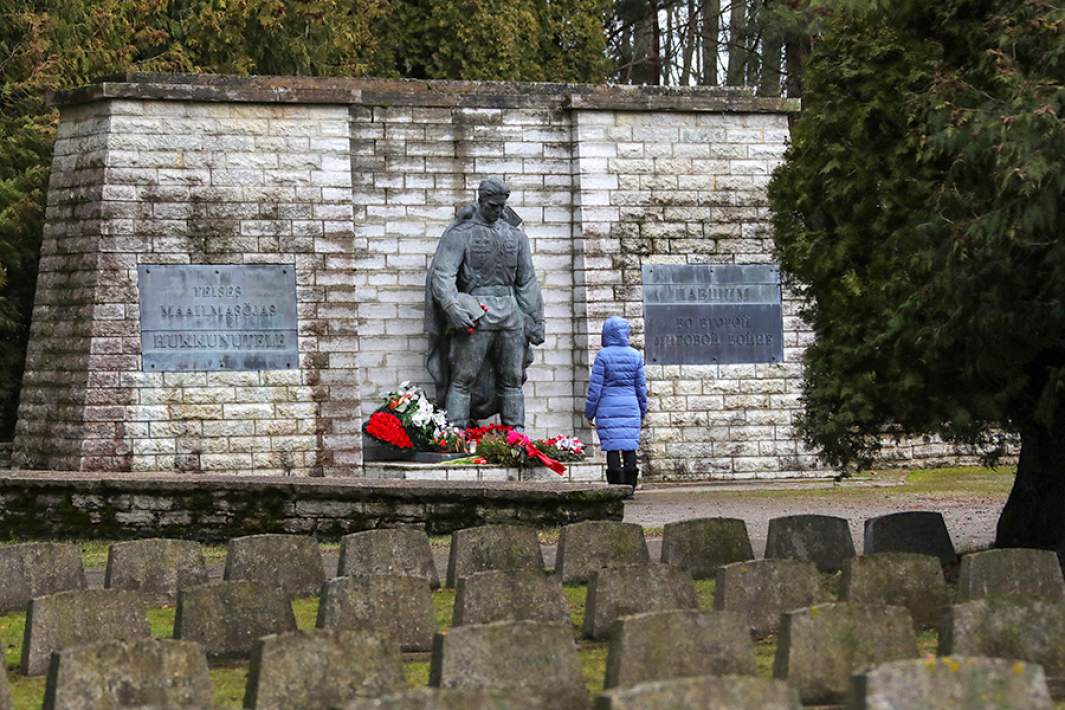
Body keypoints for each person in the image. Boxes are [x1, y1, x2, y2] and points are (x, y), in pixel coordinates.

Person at [424, 177, 545, 429]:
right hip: (476, 313)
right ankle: (455, 434)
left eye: (502, 206)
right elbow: (442, 276)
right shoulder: (461, 235)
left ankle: (517, 437)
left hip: (511, 313)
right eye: (493, 206)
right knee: (462, 378)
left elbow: (527, 281)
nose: (499, 211)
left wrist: (535, 319)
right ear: (481, 201)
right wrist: (452, 308)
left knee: (512, 379)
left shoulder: (516, 237)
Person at [584, 316, 648, 490]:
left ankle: (615, 489)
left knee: (612, 448)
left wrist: (589, 413)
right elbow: (641, 388)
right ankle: (630, 487)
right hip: (630, 405)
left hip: (607, 407)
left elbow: (595, 389)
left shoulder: (603, 356)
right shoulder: (635, 355)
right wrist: (643, 411)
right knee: (629, 447)